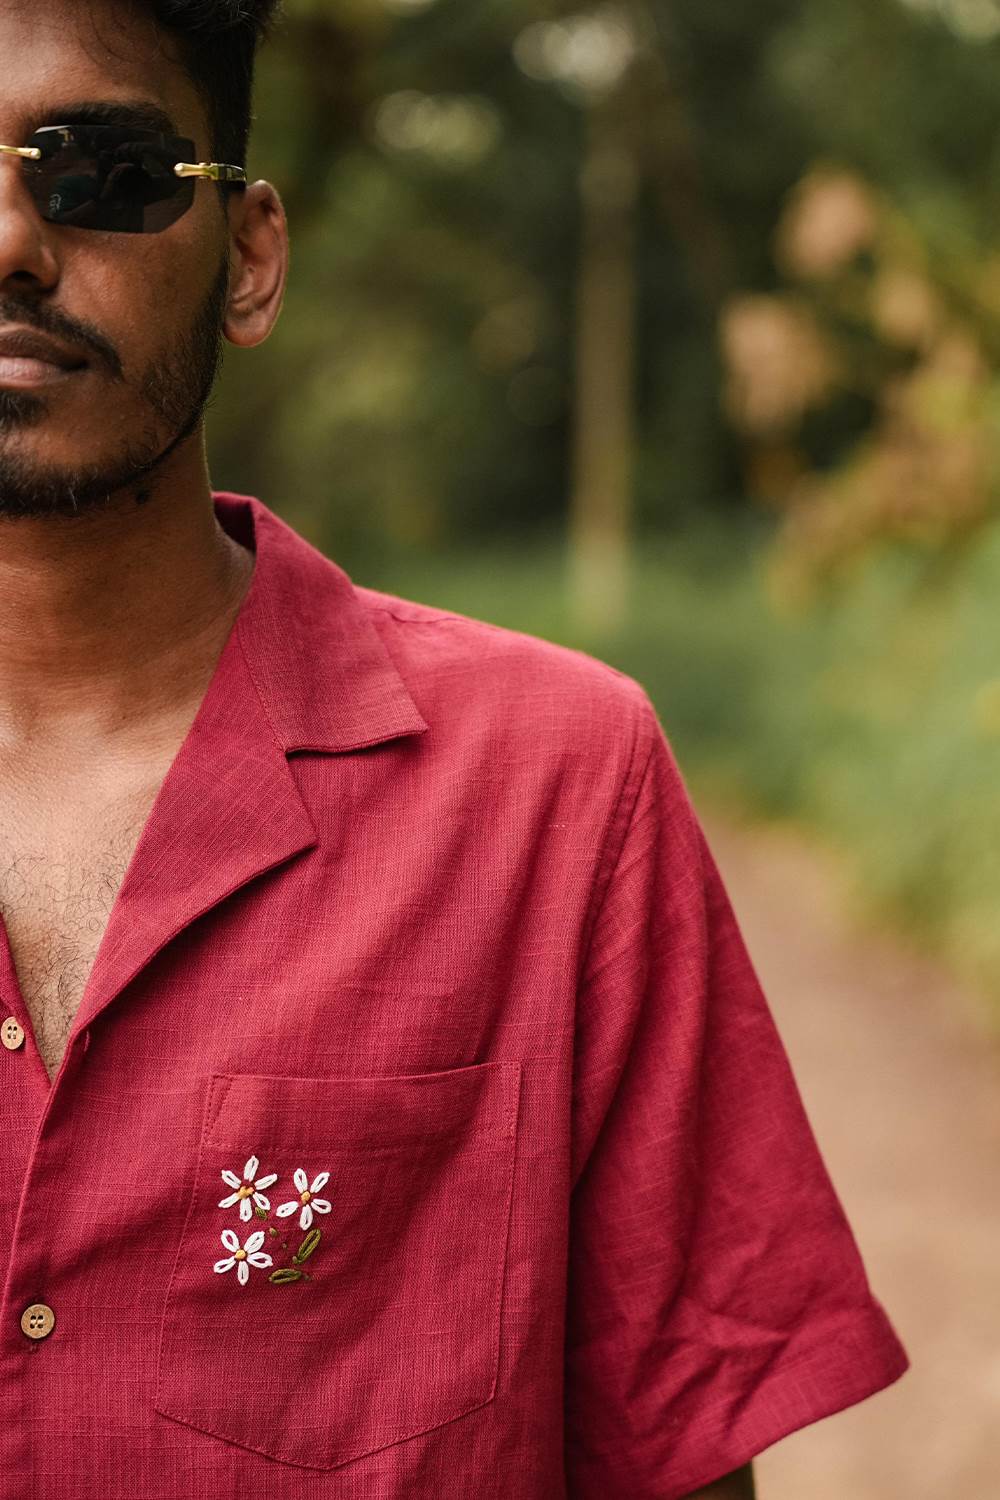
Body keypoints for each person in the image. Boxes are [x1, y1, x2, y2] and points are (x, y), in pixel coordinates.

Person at [0, 2, 907, 1496]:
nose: (17, 245)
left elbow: (674, 1452)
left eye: (102, 169)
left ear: (250, 256)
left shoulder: (555, 786)